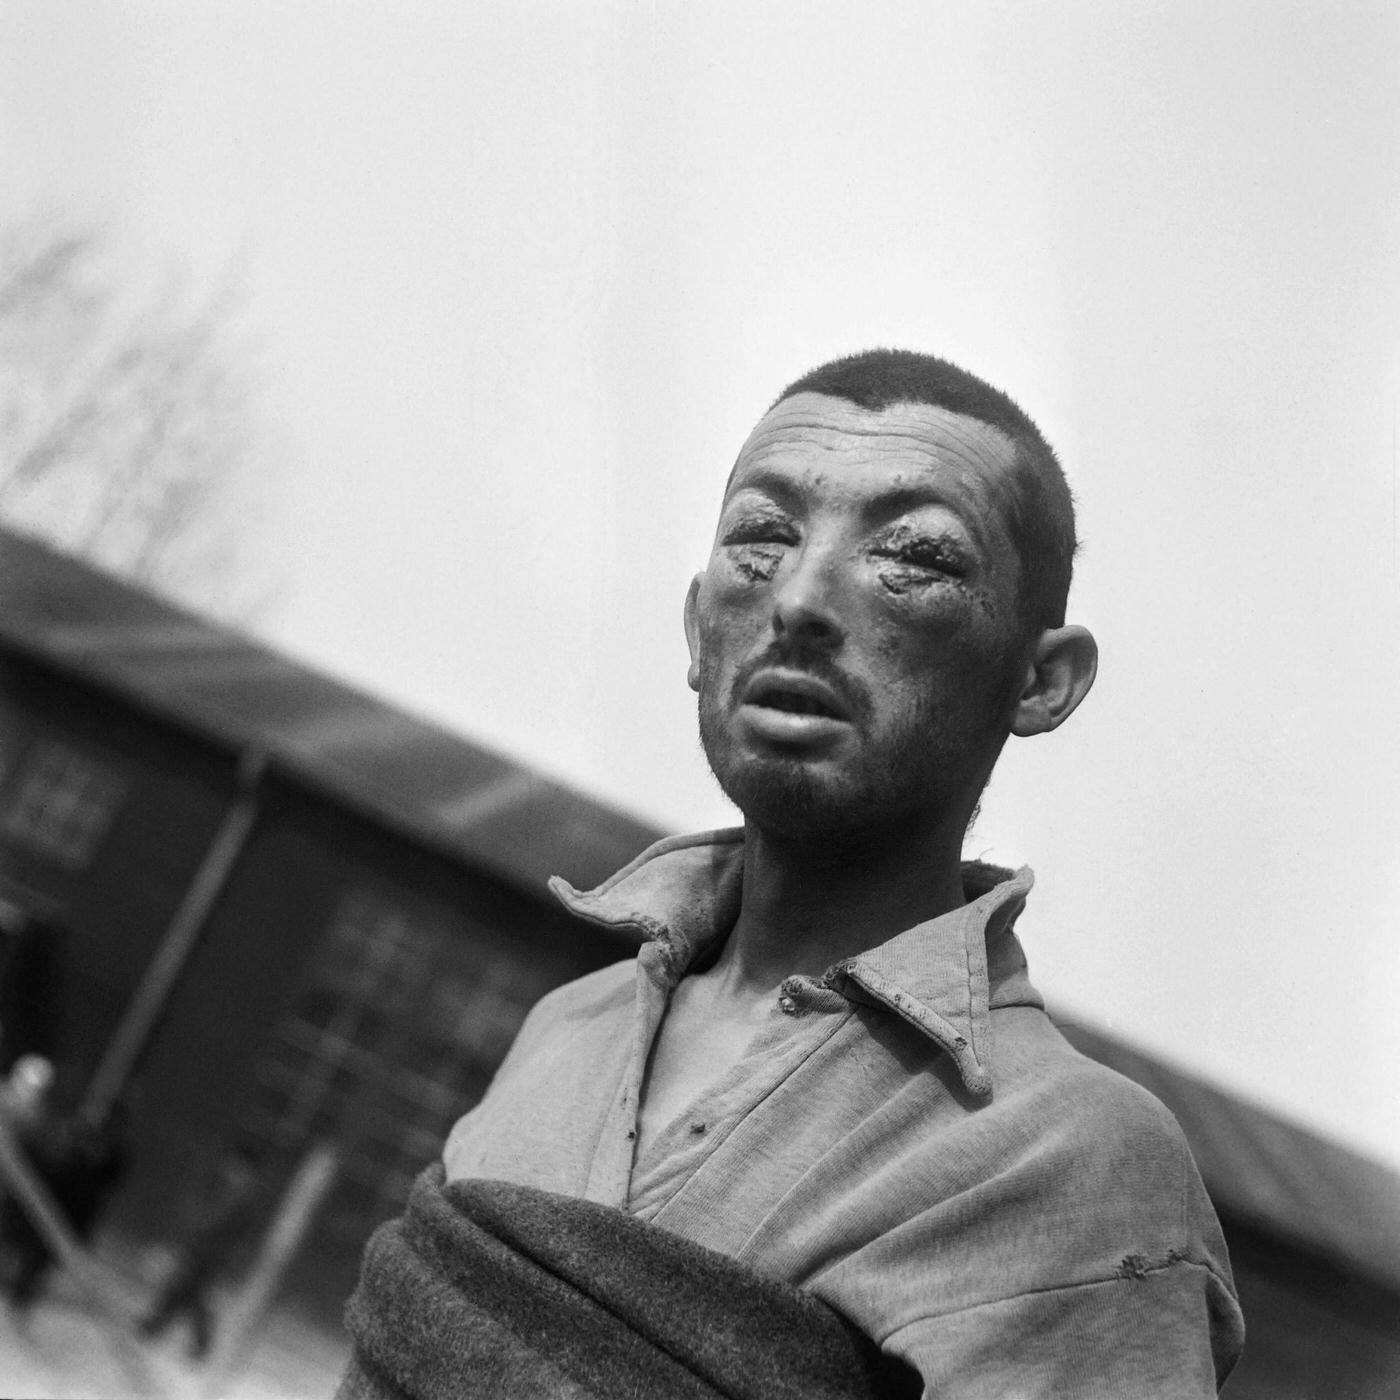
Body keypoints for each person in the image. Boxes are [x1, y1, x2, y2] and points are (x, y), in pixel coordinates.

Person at [346, 349, 1245, 1398]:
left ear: (1039, 681)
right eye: (761, 536)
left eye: (911, 554)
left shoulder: (1068, 1158)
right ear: (696, 628)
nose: (801, 598)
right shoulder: (567, 1028)